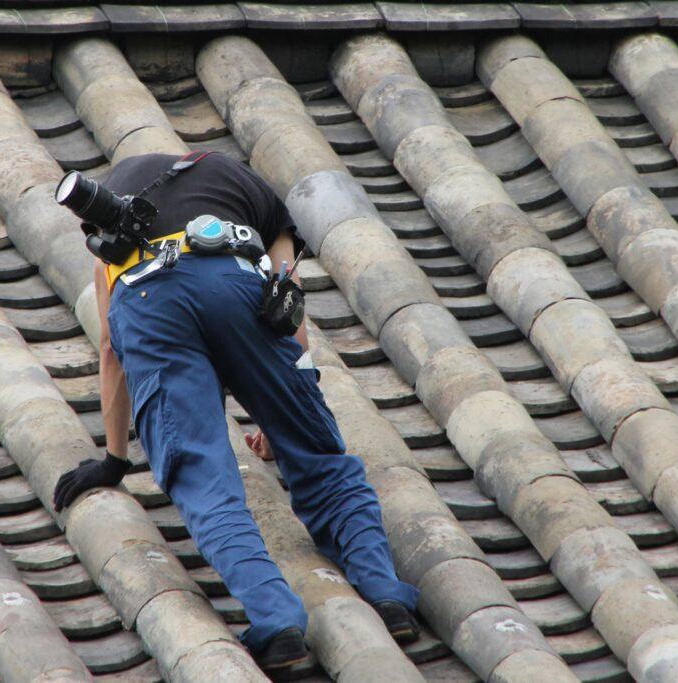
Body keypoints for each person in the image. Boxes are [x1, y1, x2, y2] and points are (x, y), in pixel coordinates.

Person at [51, 151, 420, 671]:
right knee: (319, 458)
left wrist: (114, 459)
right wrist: (288, 407)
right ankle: (385, 595)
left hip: (149, 298)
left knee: (205, 478)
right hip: (238, 284)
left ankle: (278, 623)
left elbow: (111, 345)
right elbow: (286, 302)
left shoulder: (112, 214)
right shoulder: (247, 186)